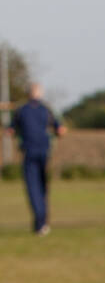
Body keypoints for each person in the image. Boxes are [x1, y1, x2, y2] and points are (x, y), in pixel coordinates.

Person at [9, 83, 66, 234]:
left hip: (29, 151)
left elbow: (10, 129)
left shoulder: (20, 110)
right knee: (42, 187)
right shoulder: (47, 109)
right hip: (44, 151)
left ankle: (40, 222)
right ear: (39, 94)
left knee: (33, 187)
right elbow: (60, 129)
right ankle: (41, 222)